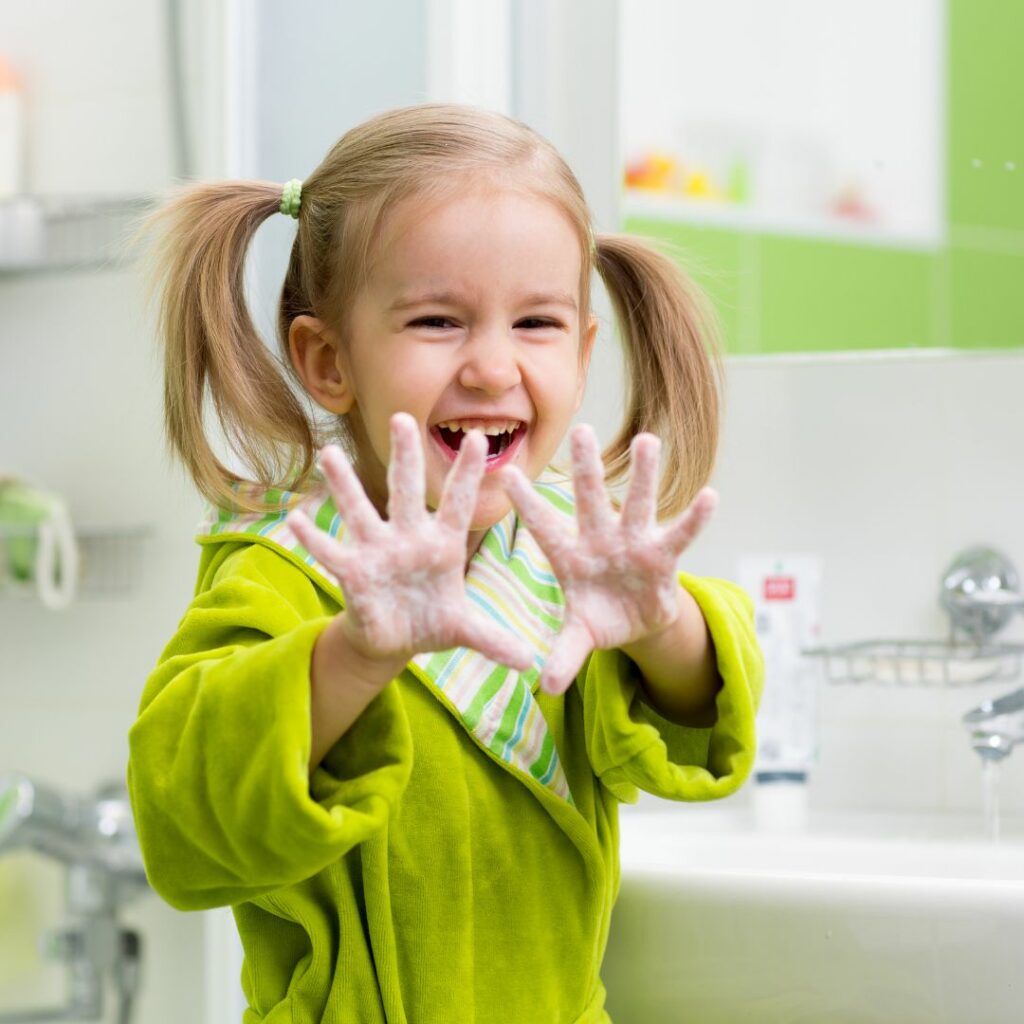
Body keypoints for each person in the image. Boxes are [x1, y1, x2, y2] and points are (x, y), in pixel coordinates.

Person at [126, 103, 763, 1024]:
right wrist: (353, 654)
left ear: (583, 358)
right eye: (436, 321)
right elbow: (181, 809)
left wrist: (664, 625)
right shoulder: (287, 569)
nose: (493, 367)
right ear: (328, 360)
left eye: (537, 322)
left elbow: (709, 709)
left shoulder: (573, 575)